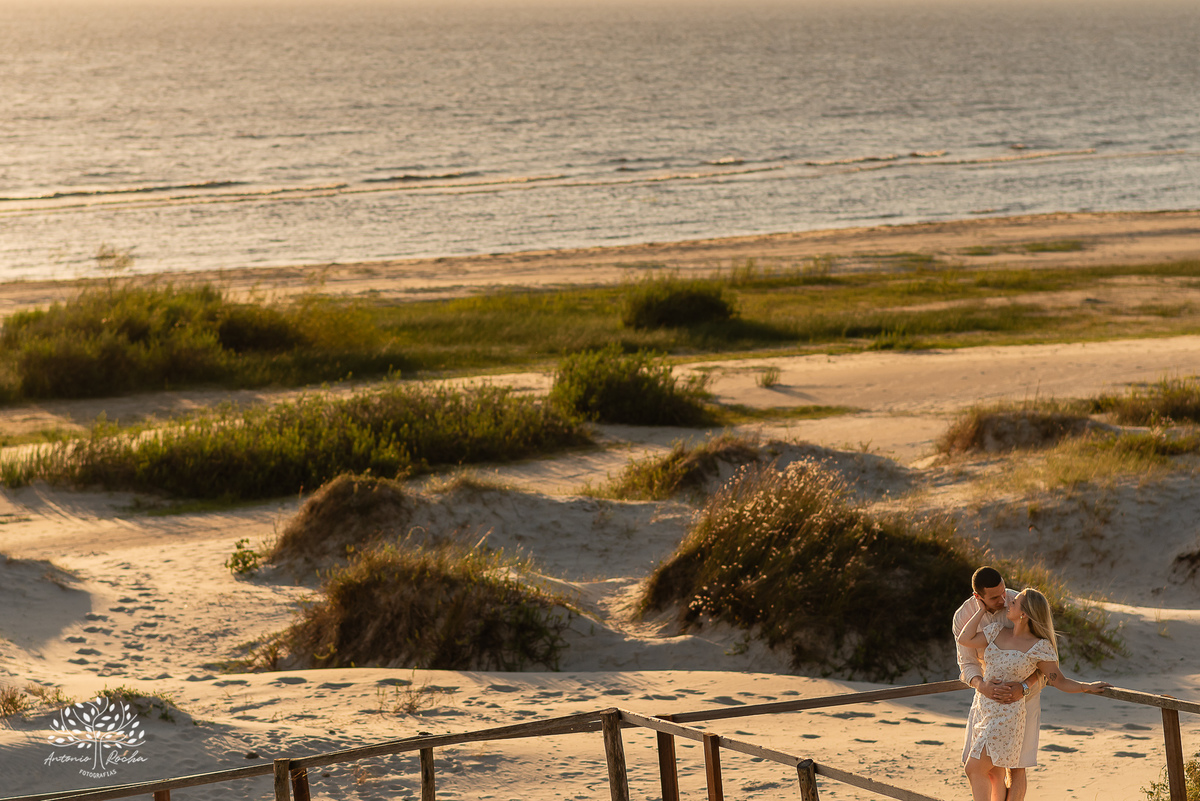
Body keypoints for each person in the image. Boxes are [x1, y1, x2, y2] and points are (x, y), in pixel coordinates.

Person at [956, 587, 1111, 801]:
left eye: (1015, 602)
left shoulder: (1040, 647)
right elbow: (964, 639)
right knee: (994, 773)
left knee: (973, 768)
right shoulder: (996, 630)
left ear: (1024, 614)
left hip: (1008, 717)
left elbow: (1060, 681)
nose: (1008, 603)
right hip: (985, 710)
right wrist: (981, 609)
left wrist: (1086, 686)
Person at [953, 567, 1036, 801]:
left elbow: (1044, 658)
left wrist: (1024, 688)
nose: (1003, 600)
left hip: (1023, 693)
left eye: (1003, 592)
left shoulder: (1018, 603)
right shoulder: (963, 616)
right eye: (995, 597)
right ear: (978, 596)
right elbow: (967, 663)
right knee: (991, 770)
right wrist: (982, 686)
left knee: (1016, 767)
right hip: (987, 697)